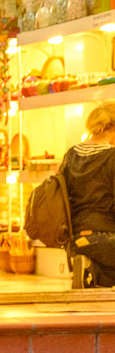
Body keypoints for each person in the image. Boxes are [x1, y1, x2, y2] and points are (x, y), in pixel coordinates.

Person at [61, 101, 115, 286]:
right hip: (107, 238)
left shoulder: (71, 155)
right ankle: (92, 269)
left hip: (75, 238)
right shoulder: (112, 156)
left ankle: (87, 265)